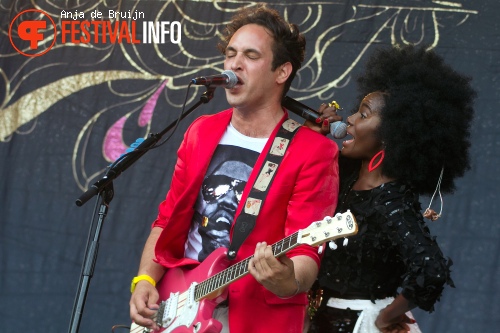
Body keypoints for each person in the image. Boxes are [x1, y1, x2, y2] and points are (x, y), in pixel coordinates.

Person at [129, 4, 339, 333]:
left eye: (251, 56)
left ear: (281, 72)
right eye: (231, 53)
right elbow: (168, 218)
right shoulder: (201, 130)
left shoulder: (313, 151)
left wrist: (287, 281)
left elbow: (306, 251)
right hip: (179, 303)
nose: (234, 64)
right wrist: (144, 280)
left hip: (252, 319)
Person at [306, 45, 476, 333]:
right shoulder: (345, 176)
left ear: (391, 135)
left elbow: (431, 269)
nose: (349, 120)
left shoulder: (390, 200)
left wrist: (385, 318)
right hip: (321, 320)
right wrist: (315, 136)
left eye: (363, 114)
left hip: (361, 322)